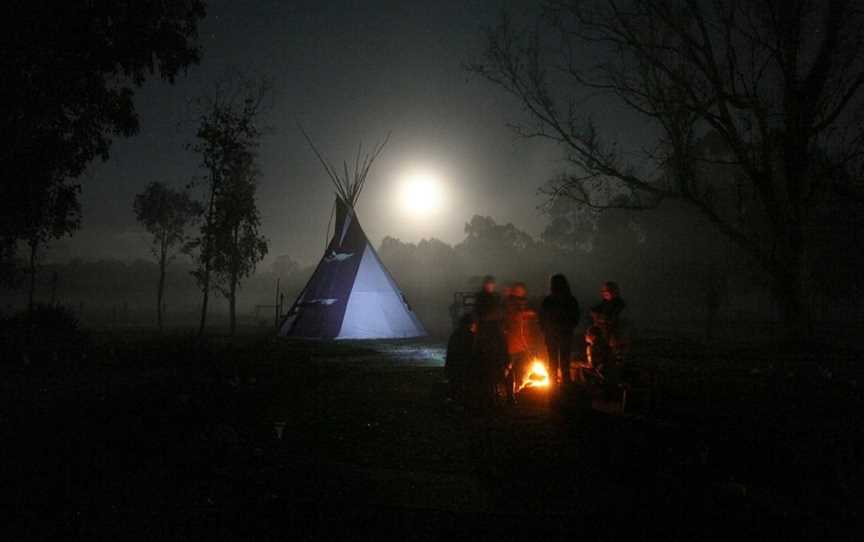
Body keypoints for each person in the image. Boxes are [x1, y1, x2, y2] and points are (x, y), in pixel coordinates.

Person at [469, 275, 507, 408]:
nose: (490, 286)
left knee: (494, 362)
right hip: (486, 333)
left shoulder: (494, 297)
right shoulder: (482, 298)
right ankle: (489, 391)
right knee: (486, 362)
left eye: (491, 284)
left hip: (492, 333)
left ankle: (494, 391)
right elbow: (481, 314)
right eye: (488, 284)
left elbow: (499, 313)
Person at [586, 281, 627, 397]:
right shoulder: (603, 304)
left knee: (613, 363)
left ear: (614, 292)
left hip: (614, 339)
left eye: (607, 291)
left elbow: (614, 320)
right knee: (601, 362)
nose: (605, 293)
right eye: (603, 291)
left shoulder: (619, 305)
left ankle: (613, 390)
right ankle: (602, 387)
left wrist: (603, 319)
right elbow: (594, 311)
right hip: (603, 339)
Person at [539, 274, 581, 388]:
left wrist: (545, 330)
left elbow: (542, 318)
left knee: (553, 361)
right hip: (563, 335)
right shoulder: (570, 299)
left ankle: (554, 384)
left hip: (554, 336)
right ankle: (565, 384)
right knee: (564, 361)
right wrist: (569, 328)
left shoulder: (549, 300)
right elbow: (575, 317)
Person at [503, 282, 538, 403]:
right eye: (518, 290)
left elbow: (528, 324)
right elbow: (510, 318)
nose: (520, 292)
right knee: (508, 368)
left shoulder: (523, 304)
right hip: (511, 344)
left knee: (522, 368)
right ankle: (508, 394)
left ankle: (517, 390)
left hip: (522, 344)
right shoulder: (509, 304)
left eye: (522, 290)